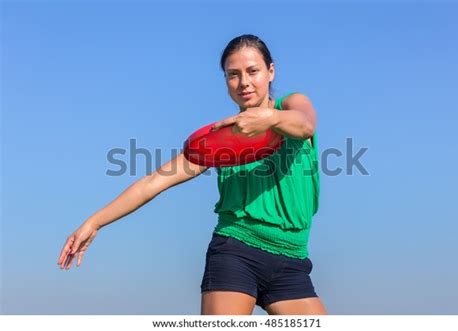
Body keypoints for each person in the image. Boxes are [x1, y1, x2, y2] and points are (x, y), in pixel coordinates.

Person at [57, 34, 327, 315]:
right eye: (233, 75)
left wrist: (270, 119)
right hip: (236, 252)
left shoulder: (291, 105)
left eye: (253, 71)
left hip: (292, 261)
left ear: (270, 71)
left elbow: (306, 124)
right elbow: (154, 181)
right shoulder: (220, 140)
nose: (244, 82)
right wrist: (95, 222)